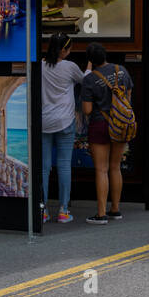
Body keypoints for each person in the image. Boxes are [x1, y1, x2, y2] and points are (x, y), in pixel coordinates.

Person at [81, 42, 135, 224]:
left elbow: (87, 110)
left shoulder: (89, 80)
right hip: (120, 124)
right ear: (105, 55)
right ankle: (116, 209)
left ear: (90, 60)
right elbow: (128, 97)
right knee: (115, 167)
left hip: (100, 125)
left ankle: (101, 213)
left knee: (101, 169)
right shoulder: (122, 71)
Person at [40, 32, 84, 224]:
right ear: (65, 50)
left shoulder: (40, 65)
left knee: (44, 167)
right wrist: (89, 69)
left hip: (44, 121)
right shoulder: (70, 66)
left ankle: (42, 210)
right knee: (64, 165)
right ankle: (63, 210)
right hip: (65, 121)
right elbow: (85, 80)